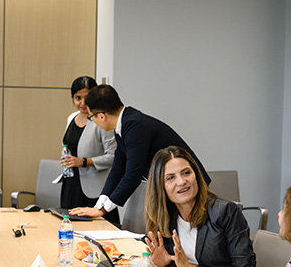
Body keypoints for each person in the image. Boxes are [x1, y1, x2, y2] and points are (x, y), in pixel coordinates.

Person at [144, 145, 262, 267]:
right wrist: (163, 264)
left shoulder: (225, 212)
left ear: (196, 175)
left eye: (186, 173)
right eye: (170, 178)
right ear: (160, 187)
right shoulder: (165, 218)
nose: (181, 181)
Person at [69, 85, 210, 220]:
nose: (92, 121)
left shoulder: (134, 126)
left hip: (189, 187)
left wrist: (102, 210)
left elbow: (132, 176)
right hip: (173, 187)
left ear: (101, 116)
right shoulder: (123, 126)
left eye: (91, 117)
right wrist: (99, 205)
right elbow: (117, 169)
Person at [60, 76, 117, 219]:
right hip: (71, 182)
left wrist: (83, 161)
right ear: (72, 98)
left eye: (87, 97)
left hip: (95, 187)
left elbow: (113, 156)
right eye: (78, 98)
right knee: (69, 225)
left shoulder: (102, 119)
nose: (83, 103)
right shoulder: (71, 117)